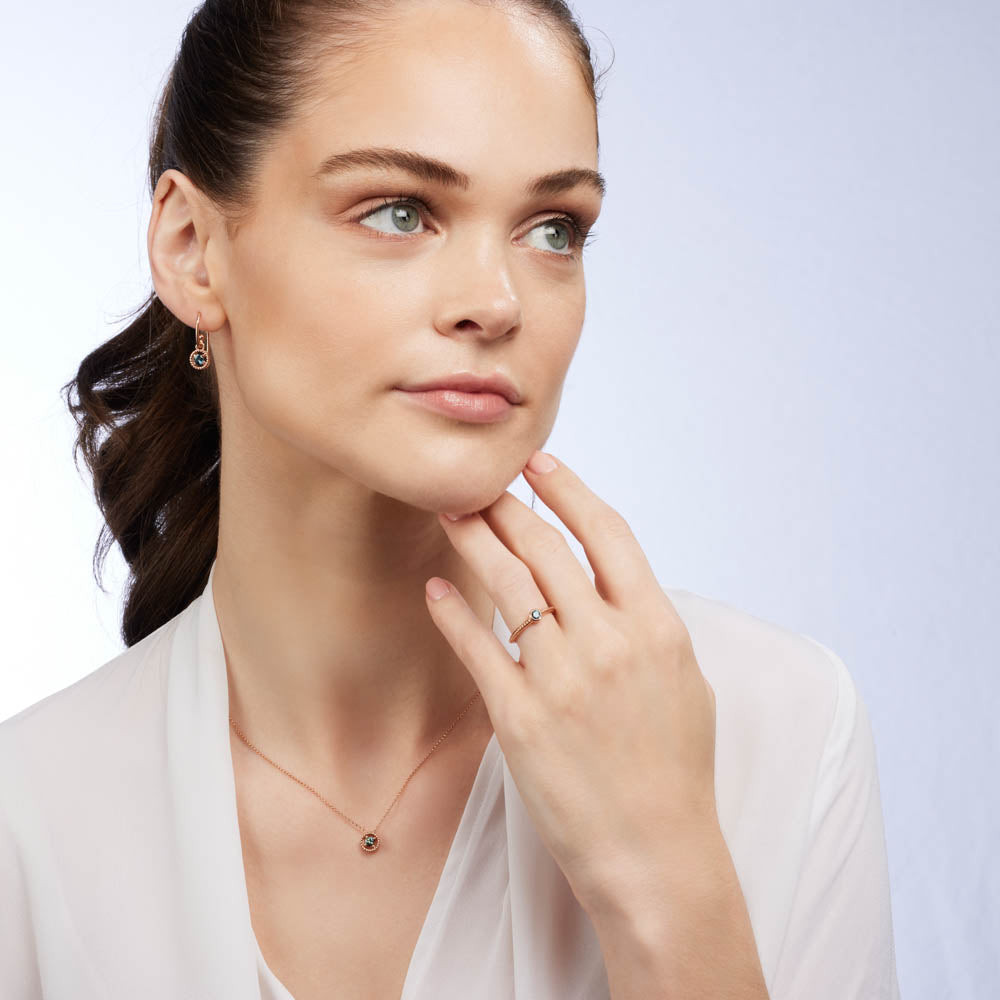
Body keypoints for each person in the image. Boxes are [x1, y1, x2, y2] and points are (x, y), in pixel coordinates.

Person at [0, 0, 901, 997]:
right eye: (400, 211)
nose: (498, 301)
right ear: (190, 247)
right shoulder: (29, 823)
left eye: (553, 229)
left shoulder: (777, 727)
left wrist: (668, 887)